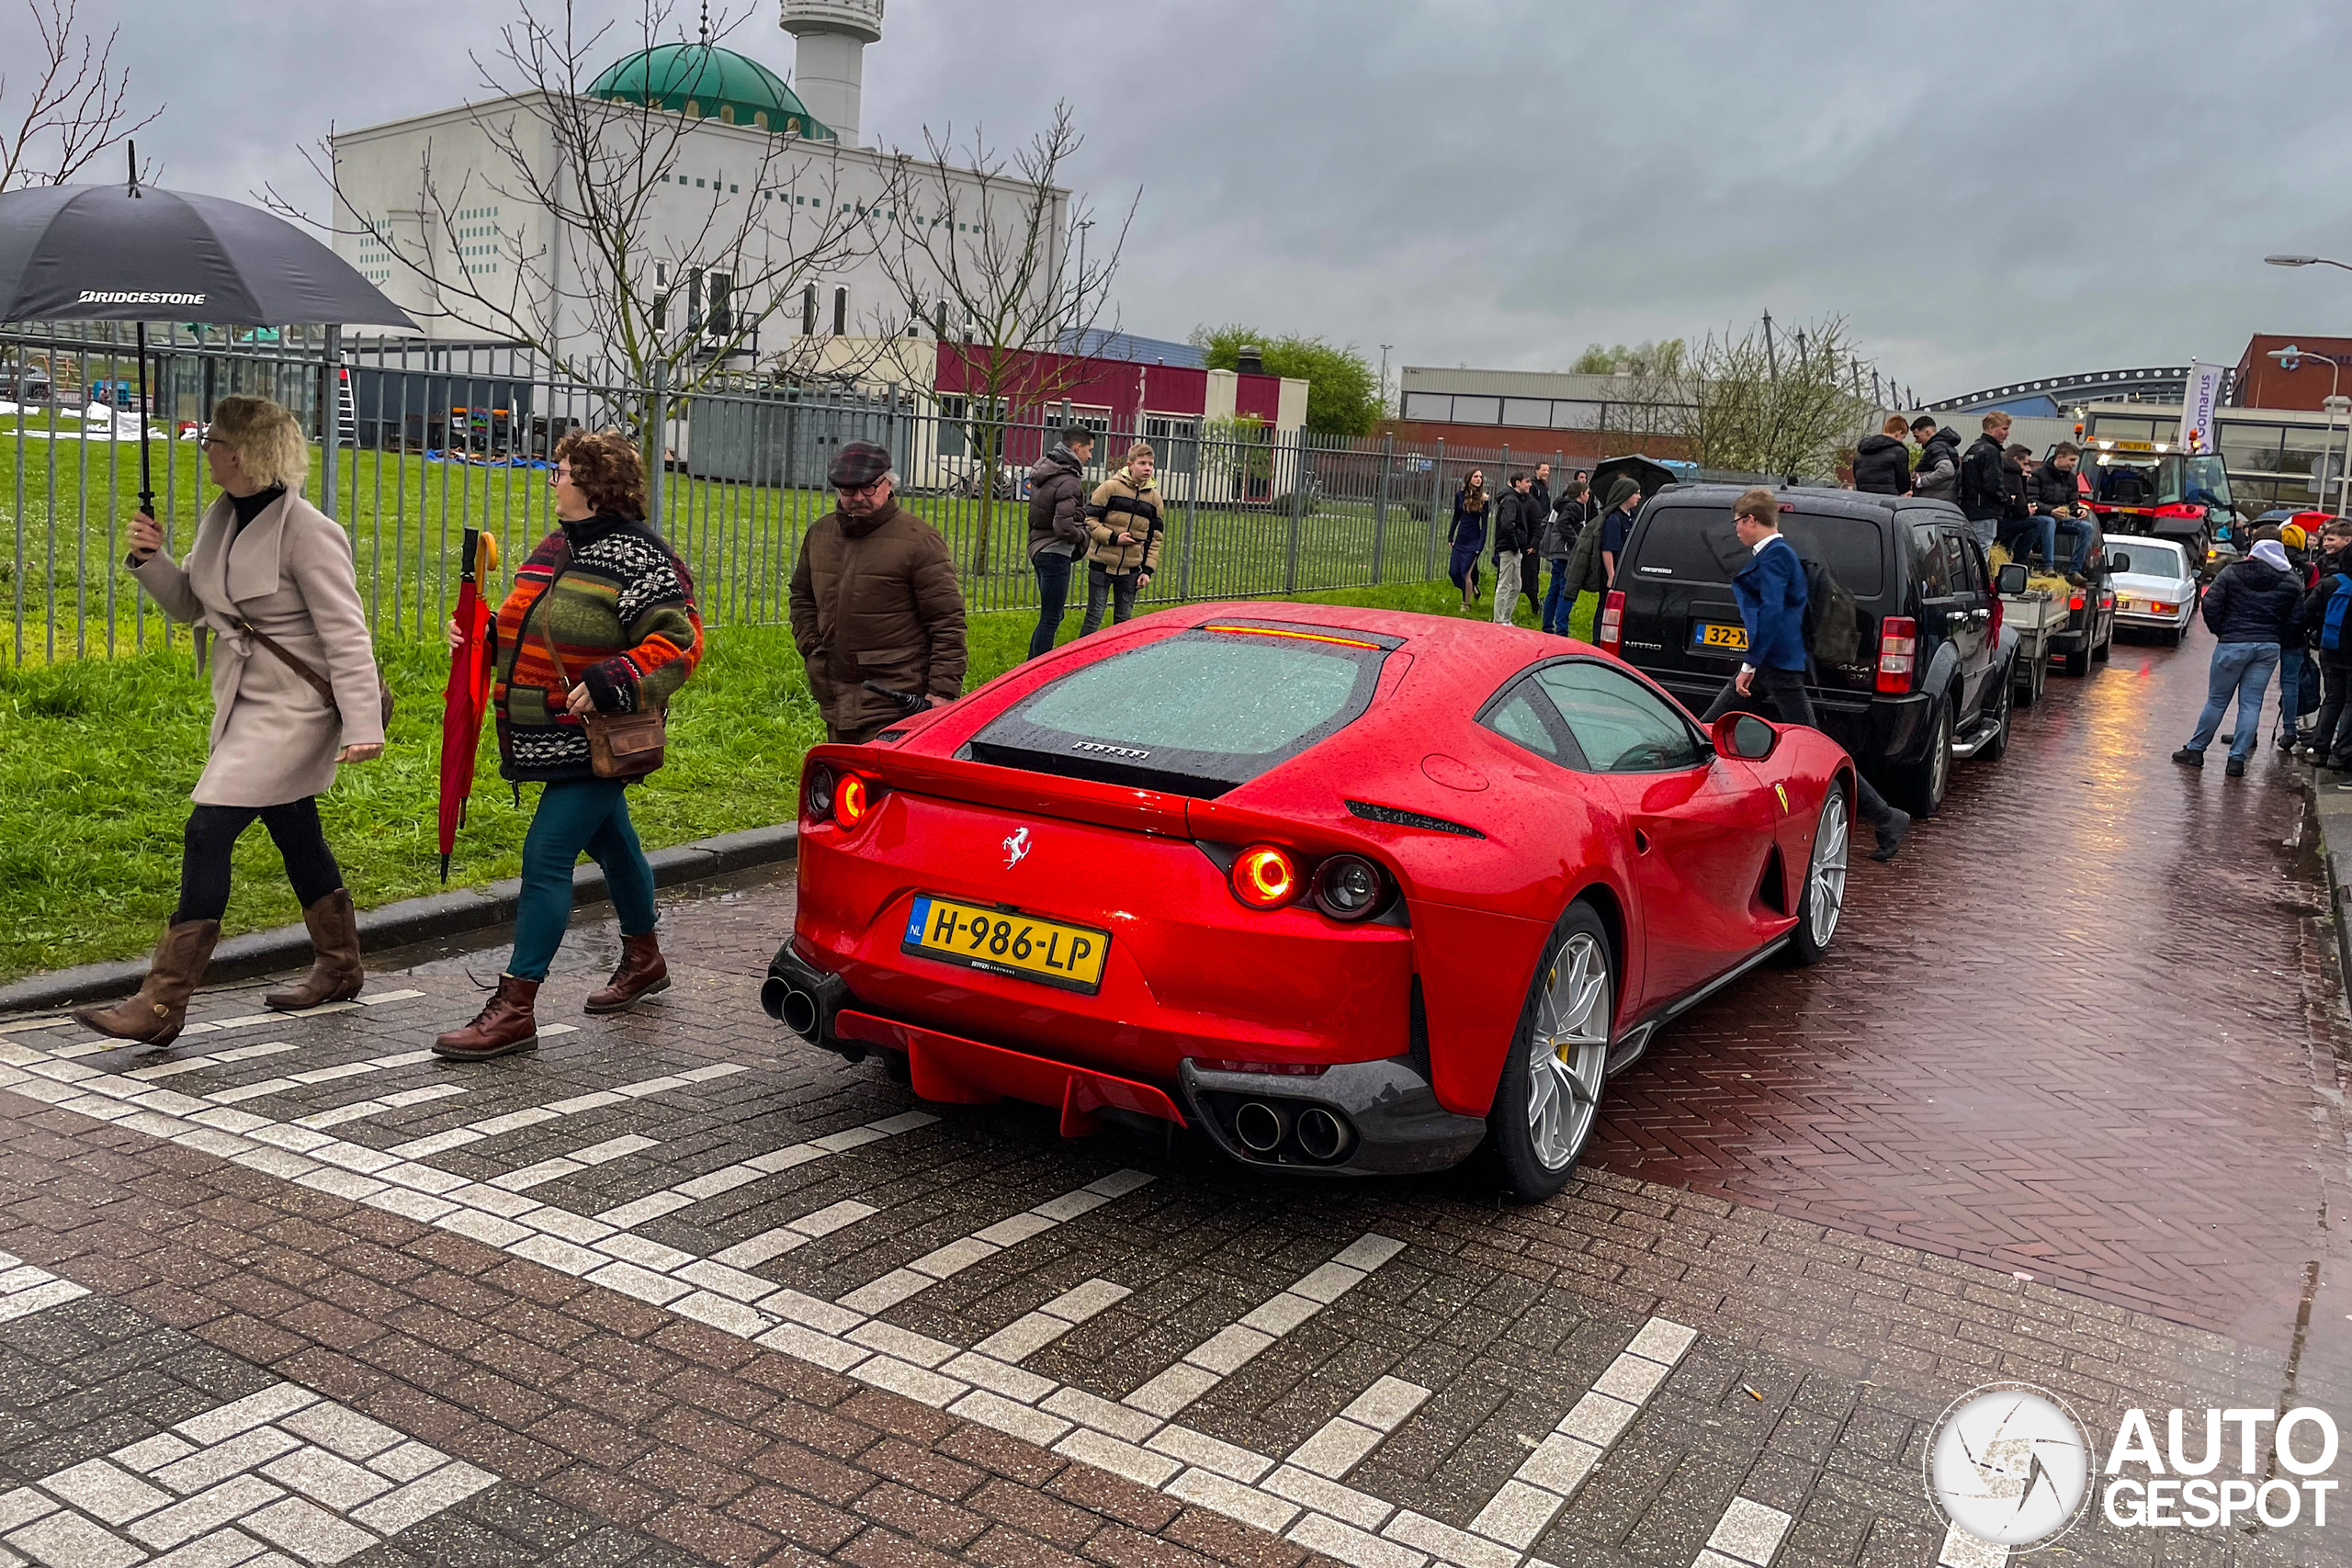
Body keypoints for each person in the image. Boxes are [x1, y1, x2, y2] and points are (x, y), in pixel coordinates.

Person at [73, 397, 386, 1045]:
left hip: (295, 711)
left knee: (207, 828)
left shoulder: (308, 530)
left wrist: (363, 724)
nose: (204, 447)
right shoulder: (223, 517)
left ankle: (162, 1004)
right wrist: (150, 558)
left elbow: (347, 635)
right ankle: (340, 965)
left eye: (211, 439)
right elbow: (193, 603)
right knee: (295, 827)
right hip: (247, 703)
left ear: (240, 453)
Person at [433, 431, 703, 1061]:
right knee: (614, 842)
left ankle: (515, 1006)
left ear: (595, 484)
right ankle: (645, 957)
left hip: (595, 737)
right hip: (549, 737)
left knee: (548, 853)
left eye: (561, 471)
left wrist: (617, 678)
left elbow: (680, 641)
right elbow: (527, 626)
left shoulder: (640, 557)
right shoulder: (553, 547)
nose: (552, 479)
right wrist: (481, 637)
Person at [1702, 489, 1910, 860]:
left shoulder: (1776, 557)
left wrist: (1749, 664)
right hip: (1774, 664)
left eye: (1737, 522)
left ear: (1751, 520)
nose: (1735, 530)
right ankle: (1886, 816)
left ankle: (1887, 816)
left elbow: (1772, 613)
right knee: (1709, 728)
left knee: (1814, 748)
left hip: (1777, 665)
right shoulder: (1777, 554)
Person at [789, 440, 967, 749]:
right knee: (843, 785)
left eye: (869, 488)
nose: (858, 498)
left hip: (897, 697)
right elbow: (802, 595)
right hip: (834, 691)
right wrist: (812, 647)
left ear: (889, 483)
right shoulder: (820, 534)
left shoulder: (919, 541)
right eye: (848, 490)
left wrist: (942, 691)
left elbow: (947, 621)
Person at [2174, 538, 2302, 778]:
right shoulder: (2291, 582)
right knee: (2251, 703)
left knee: (2217, 701)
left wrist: (2223, 631)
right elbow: (2296, 620)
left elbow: (2210, 603)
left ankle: (2196, 750)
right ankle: (2236, 760)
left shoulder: (2232, 573)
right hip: (2268, 647)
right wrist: (2275, 636)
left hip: (2233, 643)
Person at [1080, 441, 1163, 636]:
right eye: (1142, 463)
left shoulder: (1154, 499)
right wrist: (1114, 538)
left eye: (1150, 464)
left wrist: (1147, 571)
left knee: (1123, 622)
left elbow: (1155, 538)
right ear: (1130, 464)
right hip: (1102, 564)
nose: (1147, 468)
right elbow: (1089, 520)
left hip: (1131, 570)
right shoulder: (1109, 488)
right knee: (1094, 616)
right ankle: (1080, 658)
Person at [1024, 425, 1093, 660]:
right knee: (1051, 617)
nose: (1090, 456)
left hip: (1039, 548)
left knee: (1052, 614)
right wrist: (1083, 535)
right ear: (1078, 447)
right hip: (1055, 552)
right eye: (1089, 450)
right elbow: (1062, 526)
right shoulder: (1068, 481)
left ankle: (1030, 664)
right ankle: (1036, 669)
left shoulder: (1044, 471)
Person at [2300, 520, 2352, 767]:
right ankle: (2341, 754)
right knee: (2350, 702)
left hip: (2331, 648)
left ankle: (2320, 748)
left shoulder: (2333, 582)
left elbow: (2306, 611)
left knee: (2332, 698)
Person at [2028, 443, 2095, 583]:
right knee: (2049, 522)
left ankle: (2074, 571)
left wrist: (2077, 510)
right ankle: (2047, 566)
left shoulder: (2071, 479)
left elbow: (2072, 501)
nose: (2074, 464)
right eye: (2071, 460)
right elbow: (2031, 500)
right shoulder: (2038, 474)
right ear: (2060, 457)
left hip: (2061, 519)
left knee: (2087, 528)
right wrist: (2050, 511)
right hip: (2042, 518)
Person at [1540, 478, 1589, 635]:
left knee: (1554, 588)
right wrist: (1576, 542)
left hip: (1556, 550)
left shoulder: (1561, 504)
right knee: (1565, 590)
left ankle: (1547, 625)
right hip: (1566, 552)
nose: (1589, 496)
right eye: (1588, 493)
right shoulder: (1575, 507)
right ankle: (1562, 628)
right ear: (1581, 494)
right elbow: (1563, 524)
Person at [1960, 412, 2013, 549]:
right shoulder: (1991, 452)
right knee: (1982, 547)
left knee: (1970, 547)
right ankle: (1979, 572)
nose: (2007, 434)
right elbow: (1993, 484)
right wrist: (2007, 500)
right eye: (2004, 429)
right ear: (1991, 427)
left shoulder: (1972, 450)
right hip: (1985, 509)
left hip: (1969, 507)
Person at [1491, 473, 1535, 626]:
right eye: (1527, 482)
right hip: (1509, 548)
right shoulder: (1511, 500)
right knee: (1505, 584)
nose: (1529, 485)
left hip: (1514, 548)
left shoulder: (1514, 499)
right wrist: (1515, 544)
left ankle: (1506, 618)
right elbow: (1507, 524)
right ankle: (1499, 620)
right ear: (1518, 483)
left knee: (1516, 585)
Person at [1447, 470, 1489, 607]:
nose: (1479, 479)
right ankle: (1473, 589)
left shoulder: (1484, 498)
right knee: (1454, 572)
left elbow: (1485, 525)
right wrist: (1450, 535)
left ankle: (1465, 604)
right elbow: (1456, 516)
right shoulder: (1460, 495)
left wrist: (1480, 545)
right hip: (1461, 539)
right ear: (1469, 478)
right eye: (1476, 476)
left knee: (1466, 573)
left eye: (1481, 477)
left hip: (1474, 541)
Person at [1853, 414, 1914, 496]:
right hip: (1888, 500)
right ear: (1898, 433)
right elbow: (1903, 486)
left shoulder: (1863, 451)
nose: (1902, 441)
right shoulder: (1899, 452)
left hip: (1864, 499)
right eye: (1903, 437)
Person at [1598, 476, 1641, 586]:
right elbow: (1607, 549)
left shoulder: (1631, 516)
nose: (1639, 497)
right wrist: (1611, 575)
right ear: (1625, 494)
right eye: (1636, 493)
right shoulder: (1614, 519)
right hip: (1616, 571)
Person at [1910, 417, 1961, 502]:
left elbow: (1946, 470)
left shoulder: (1936, 447)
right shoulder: (1943, 445)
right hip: (1943, 498)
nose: (1916, 441)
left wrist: (1921, 481)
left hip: (1935, 500)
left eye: (1917, 436)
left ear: (1927, 432)